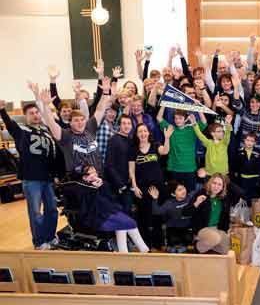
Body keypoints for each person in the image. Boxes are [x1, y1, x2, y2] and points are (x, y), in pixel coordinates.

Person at [0, 97, 58, 249]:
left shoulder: (46, 130)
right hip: (32, 179)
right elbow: (10, 124)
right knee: (35, 212)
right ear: (26, 116)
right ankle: (39, 242)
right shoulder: (21, 131)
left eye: (37, 112)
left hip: (48, 178)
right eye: (31, 113)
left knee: (52, 209)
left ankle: (51, 236)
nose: (36, 115)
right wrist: (2, 110)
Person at [63, 165, 149, 253]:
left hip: (110, 213)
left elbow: (111, 200)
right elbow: (89, 206)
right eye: (91, 172)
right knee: (126, 223)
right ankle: (135, 251)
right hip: (97, 218)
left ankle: (130, 251)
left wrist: (101, 186)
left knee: (128, 223)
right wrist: (93, 188)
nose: (95, 174)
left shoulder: (103, 184)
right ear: (85, 177)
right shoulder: (80, 188)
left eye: (95, 171)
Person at [40, 82, 111, 176]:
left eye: (82, 120)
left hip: (98, 176)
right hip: (77, 180)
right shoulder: (65, 135)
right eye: (76, 120)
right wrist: (45, 105)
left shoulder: (89, 127)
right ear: (70, 123)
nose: (80, 122)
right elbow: (51, 122)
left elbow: (100, 109)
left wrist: (105, 93)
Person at [129, 123, 173, 250]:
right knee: (143, 217)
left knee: (157, 216)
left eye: (145, 131)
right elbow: (131, 170)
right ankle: (146, 246)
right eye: (140, 132)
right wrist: (135, 187)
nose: (143, 134)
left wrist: (167, 138)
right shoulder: (133, 149)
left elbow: (165, 151)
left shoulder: (155, 145)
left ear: (148, 133)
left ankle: (158, 244)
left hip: (158, 186)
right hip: (142, 188)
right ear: (137, 135)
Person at [183, 173, 241, 253]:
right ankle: (196, 247)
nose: (216, 186)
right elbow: (185, 213)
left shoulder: (224, 198)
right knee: (215, 238)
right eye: (214, 183)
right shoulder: (201, 193)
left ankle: (209, 247)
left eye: (219, 184)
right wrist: (196, 203)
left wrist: (227, 230)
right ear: (210, 183)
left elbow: (240, 193)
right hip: (203, 229)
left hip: (217, 229)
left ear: (222, 187)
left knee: (226, 250)